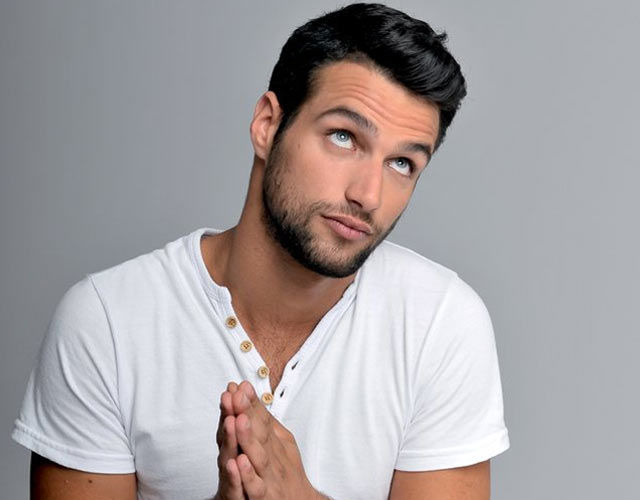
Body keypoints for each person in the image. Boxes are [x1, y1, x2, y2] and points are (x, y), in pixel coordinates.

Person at [12, 3, 509, 499]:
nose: (369, 195)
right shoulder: (107, 322)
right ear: (268, 125)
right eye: (343, 137)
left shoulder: (440, 323)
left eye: (401, 163)